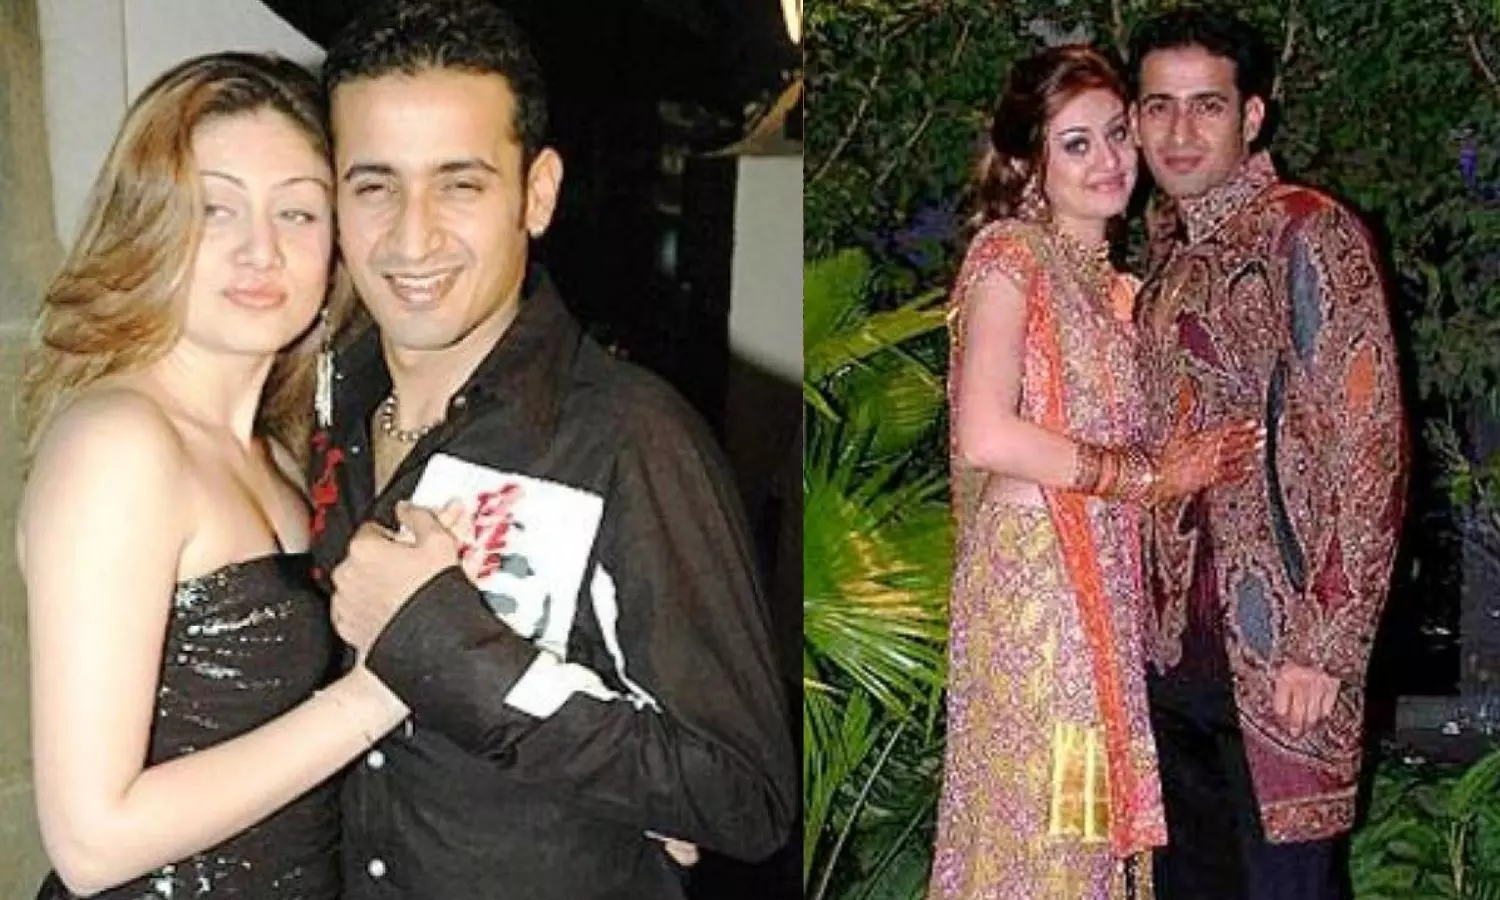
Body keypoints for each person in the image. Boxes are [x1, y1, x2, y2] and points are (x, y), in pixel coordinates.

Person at [302, 2, 798, 898]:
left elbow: (743, 796)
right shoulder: (316, 411)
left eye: (460, 184)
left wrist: (440, 644)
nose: (411, 236)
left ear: (537, 193)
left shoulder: (629, 436)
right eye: (375, 186)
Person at [17, 53, 408, 899]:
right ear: (148, 226)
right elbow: (91, 841)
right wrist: (376, 698)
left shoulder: (278, 454)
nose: (261, 251)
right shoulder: (120, 445)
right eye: (215, 208)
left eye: (297, 211)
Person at [926, 45, 1262, 900]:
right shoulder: (1011, 257)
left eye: (1117, 133)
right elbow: (985, 433)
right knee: (1047, 823)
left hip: (1106, 585)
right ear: (1026, 162)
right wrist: (1145, 478)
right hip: (1037, 591)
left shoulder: (1125, 293)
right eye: (1076, 143)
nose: (1110, 159)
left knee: (1088, 831)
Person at [1127, 8, 1408, 899]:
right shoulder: (1166, 264)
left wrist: (1327, 643)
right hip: (1172, 668)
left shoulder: (1307, 232)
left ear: (1251, 116)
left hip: (1281, 666)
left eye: (1206, 105)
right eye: (1160, 106)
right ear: (1135, 119)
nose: (1180, 131)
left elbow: (1368, 446)